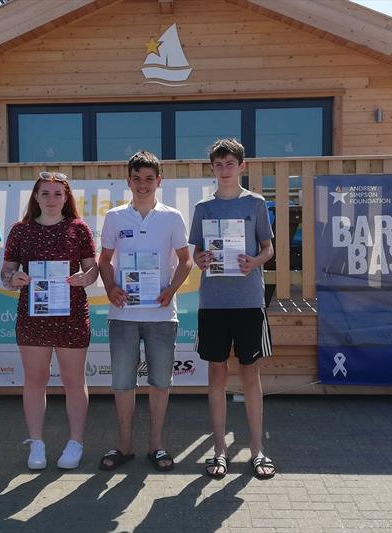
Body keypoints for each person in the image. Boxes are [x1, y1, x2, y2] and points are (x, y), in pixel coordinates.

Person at [97, 150, 193, 472]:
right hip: (123, 315)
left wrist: (171, 290)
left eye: (149, 179)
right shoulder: (114, 217)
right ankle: (124, 446)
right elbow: (104, 261)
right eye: (137, 178)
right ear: (129, 181)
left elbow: (186, 260)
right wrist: (110, 288)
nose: (143, 184)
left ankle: (156, 445)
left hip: (162, 315)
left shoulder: (172, 217)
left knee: (160, 383)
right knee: (123, 383)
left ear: (159, 181)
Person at [188, 138, 276, 480]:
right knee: (217, 376)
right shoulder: (203, 209)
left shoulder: (255, 203)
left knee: (250, 375)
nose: (224, 170)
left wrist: (254, 261)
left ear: (242, 166)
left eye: (230, 164)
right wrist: (202, 259)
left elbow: (268, 249)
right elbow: (197, 256)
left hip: (248, 303)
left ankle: (257, 450)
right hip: (213, 303)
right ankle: (219, 451)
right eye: (218, 164)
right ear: (212, 168)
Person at [1, 171, 98, 470]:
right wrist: (13, 279)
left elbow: (92, 271)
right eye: (45, 193)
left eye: (58, 193)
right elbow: (6, 274)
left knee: (74, 381)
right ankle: (37, 443)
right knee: (34, 381)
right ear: (36, 197)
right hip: (33, 317)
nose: (52, 199)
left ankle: (76, 442)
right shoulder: (20, 230)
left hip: (71, 315)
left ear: (67, 197)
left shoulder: (79, 229)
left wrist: (85, 278)